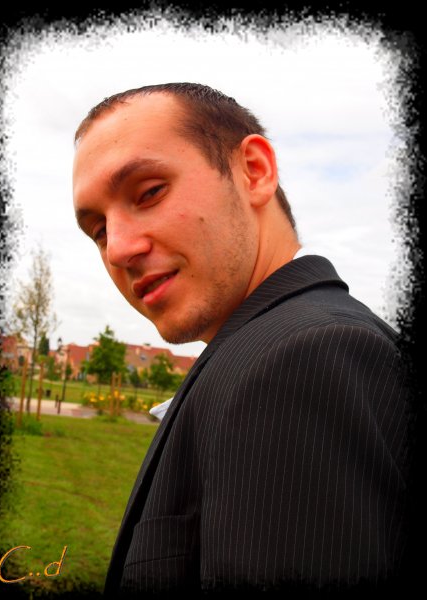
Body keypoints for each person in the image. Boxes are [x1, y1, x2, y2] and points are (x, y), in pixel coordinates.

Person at [72, 83, 410, 595]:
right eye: (99, 230)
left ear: (254, 171)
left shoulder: (300, 360)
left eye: (149, 192)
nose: (117, 249)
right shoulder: (263, 350)